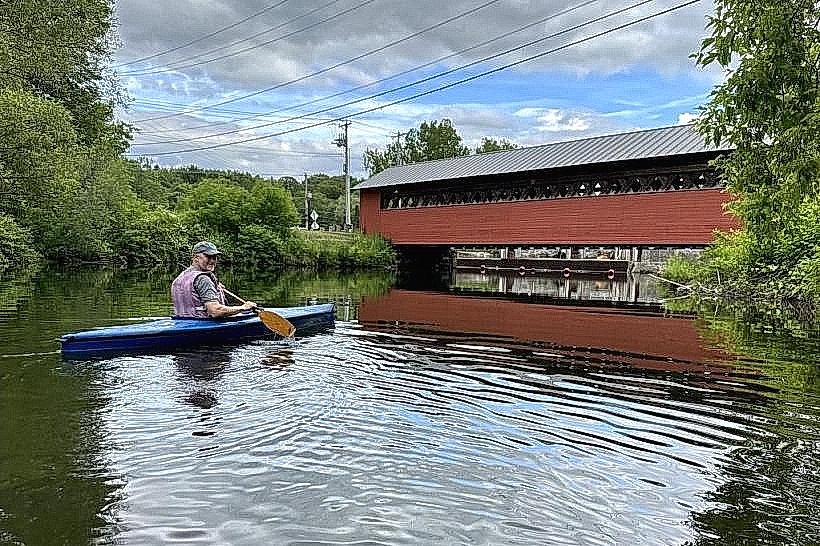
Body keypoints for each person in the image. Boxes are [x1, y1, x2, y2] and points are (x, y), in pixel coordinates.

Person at [171, 241, 257, 318]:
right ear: (196, 257)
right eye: (208, 257)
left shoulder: (180, 278)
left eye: (214, 257)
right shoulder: (203, 280)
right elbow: (215, 311)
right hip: (203, 326)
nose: (212, 261)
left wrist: (214, 288)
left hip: (182, 322)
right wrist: (243, 307)